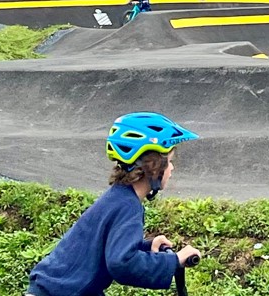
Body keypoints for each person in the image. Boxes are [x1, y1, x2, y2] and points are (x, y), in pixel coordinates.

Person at [26, 112, 201, 296]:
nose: (172, 168)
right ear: (154, 166)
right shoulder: (127, 206)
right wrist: (174, 261)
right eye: (170, 161)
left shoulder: (118, 198)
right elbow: (122, 263)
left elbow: (108, 247)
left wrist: (145, 247)